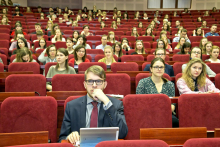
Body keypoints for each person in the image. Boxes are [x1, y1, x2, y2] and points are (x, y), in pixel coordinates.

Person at [58, 65, 128, 143]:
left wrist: (107, 102)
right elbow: (62, 139)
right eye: (90, 81)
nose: (94, 85)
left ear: (105, 84)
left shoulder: (115, 104)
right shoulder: (71, 106)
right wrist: (69, 137)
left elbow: (122, 133)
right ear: (84, 84)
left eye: (98, 81)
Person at [137, 57, 178, 127]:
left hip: (165, 114)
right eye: (156, 67)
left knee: (175, 121)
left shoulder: (170, 84)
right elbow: (139, 102)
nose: (159, 69)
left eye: (161, 67)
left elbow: (172, 106)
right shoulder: (143, 82)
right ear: (151, 69)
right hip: (147, 114)